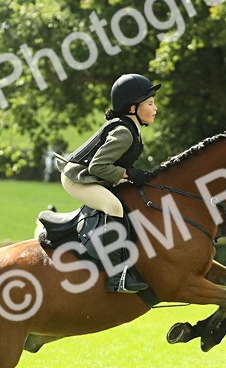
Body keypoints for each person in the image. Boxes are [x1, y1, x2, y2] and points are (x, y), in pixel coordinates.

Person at [58, 72, 159, 293]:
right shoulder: (124, 132)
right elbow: (98, 167)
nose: (155, 108)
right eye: (150, 103)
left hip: (92, 174)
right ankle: (116, 275)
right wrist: (130, 175)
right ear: (133, 108)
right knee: (114, 206)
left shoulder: (132, 128)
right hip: (78, 178)